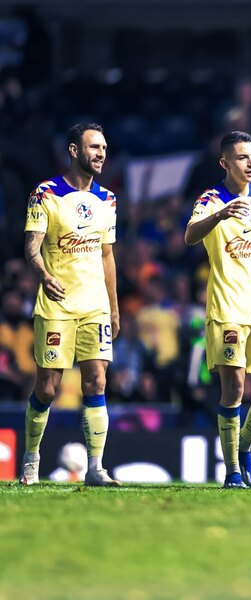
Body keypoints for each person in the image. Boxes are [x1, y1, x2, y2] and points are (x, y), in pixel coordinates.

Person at [20, 122, 120, 486]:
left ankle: (95, 468)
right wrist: (44, 273)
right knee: (48, 387)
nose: (101, 154)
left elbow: (107, 257)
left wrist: (114, 307)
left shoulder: (107, 199)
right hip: (57, 305)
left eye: (104, 148)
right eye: (94, 147)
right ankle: (31, 459)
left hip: (95, 306)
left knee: (97, 381)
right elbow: (32, 244)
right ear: (74, 151)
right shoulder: (45, 194)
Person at [184, 131, 251, 489]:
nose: (250, 164)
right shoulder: (211, 198)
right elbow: (189, 235)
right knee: (233, 387)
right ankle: (233, 469)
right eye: (241, 158)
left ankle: (244, 447)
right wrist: (219, 216)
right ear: (225, 163)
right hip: (228, 308)